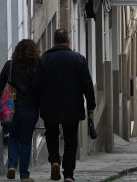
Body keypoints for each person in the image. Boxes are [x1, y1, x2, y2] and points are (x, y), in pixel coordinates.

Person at [39, 28, 96, 182]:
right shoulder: (78, 59)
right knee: (71, 140)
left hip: (49, 106)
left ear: (54, 41)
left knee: (51, 135)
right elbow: (87, 84)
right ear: (68, 41)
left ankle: (55, 161)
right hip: (72, 107)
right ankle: (68, 174)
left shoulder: (44, 59)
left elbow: (37, 83)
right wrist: (91, 103)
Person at [0, 39, 42, 181]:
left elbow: (0, 84)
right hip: (31, 108)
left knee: (13, 137)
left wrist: (5, 99)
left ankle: (11, 165)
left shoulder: (10, 66)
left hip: (12, 107)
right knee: (26, 140)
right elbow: (41, 87)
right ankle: (24, 175)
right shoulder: (37, 67)